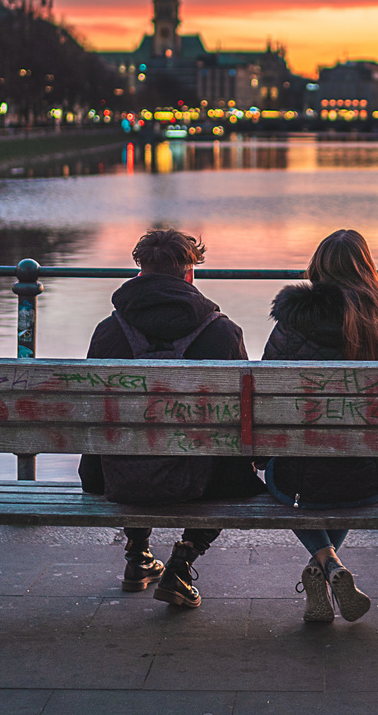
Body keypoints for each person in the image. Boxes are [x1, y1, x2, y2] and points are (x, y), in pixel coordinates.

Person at [80, 228, 262, 608]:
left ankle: (138, 554)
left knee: (133, 442)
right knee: (228, 463)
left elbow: (94, 413)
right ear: (190, 273)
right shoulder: (223, 333)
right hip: (203, 483)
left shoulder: (107, 332)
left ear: (140, 272)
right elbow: (247, 418)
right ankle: (181, 564)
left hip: (118, 478)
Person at [262, 229, 378, 624]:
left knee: (299, 481)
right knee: (341, 480)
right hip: (367, 479)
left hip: (297, 479)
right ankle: (330, 568)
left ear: (316, 268)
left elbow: (264, 401)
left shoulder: (291, 325)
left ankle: (327, 563)